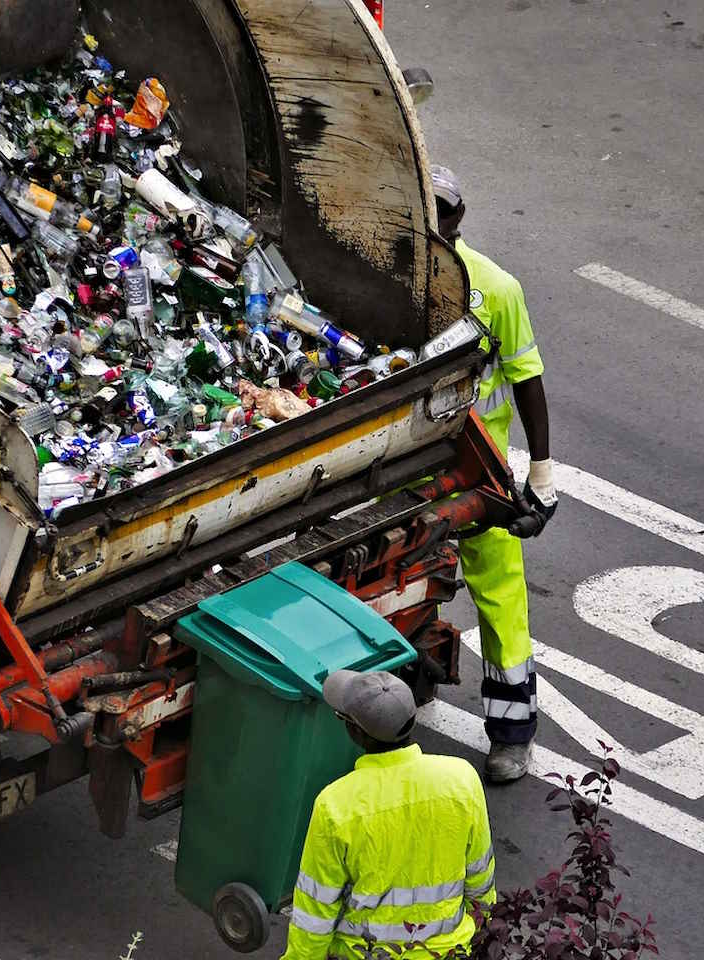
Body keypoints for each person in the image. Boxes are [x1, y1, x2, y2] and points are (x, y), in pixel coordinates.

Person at [431, 163, 557, 784]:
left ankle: (512, 736)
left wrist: (542, 474)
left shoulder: (496, 289)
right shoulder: (383, 274)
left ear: (461, 216)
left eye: (444, 209)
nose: (434, 220)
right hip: (404, 468)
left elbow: (527, 378)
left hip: (477, 472)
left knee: (501, 600)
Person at [283, 669, 497, 960]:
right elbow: (480, 878)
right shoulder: (462, 780)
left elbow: (316, 910)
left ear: (355, 732)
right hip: (450, 951)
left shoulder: (335, 806)